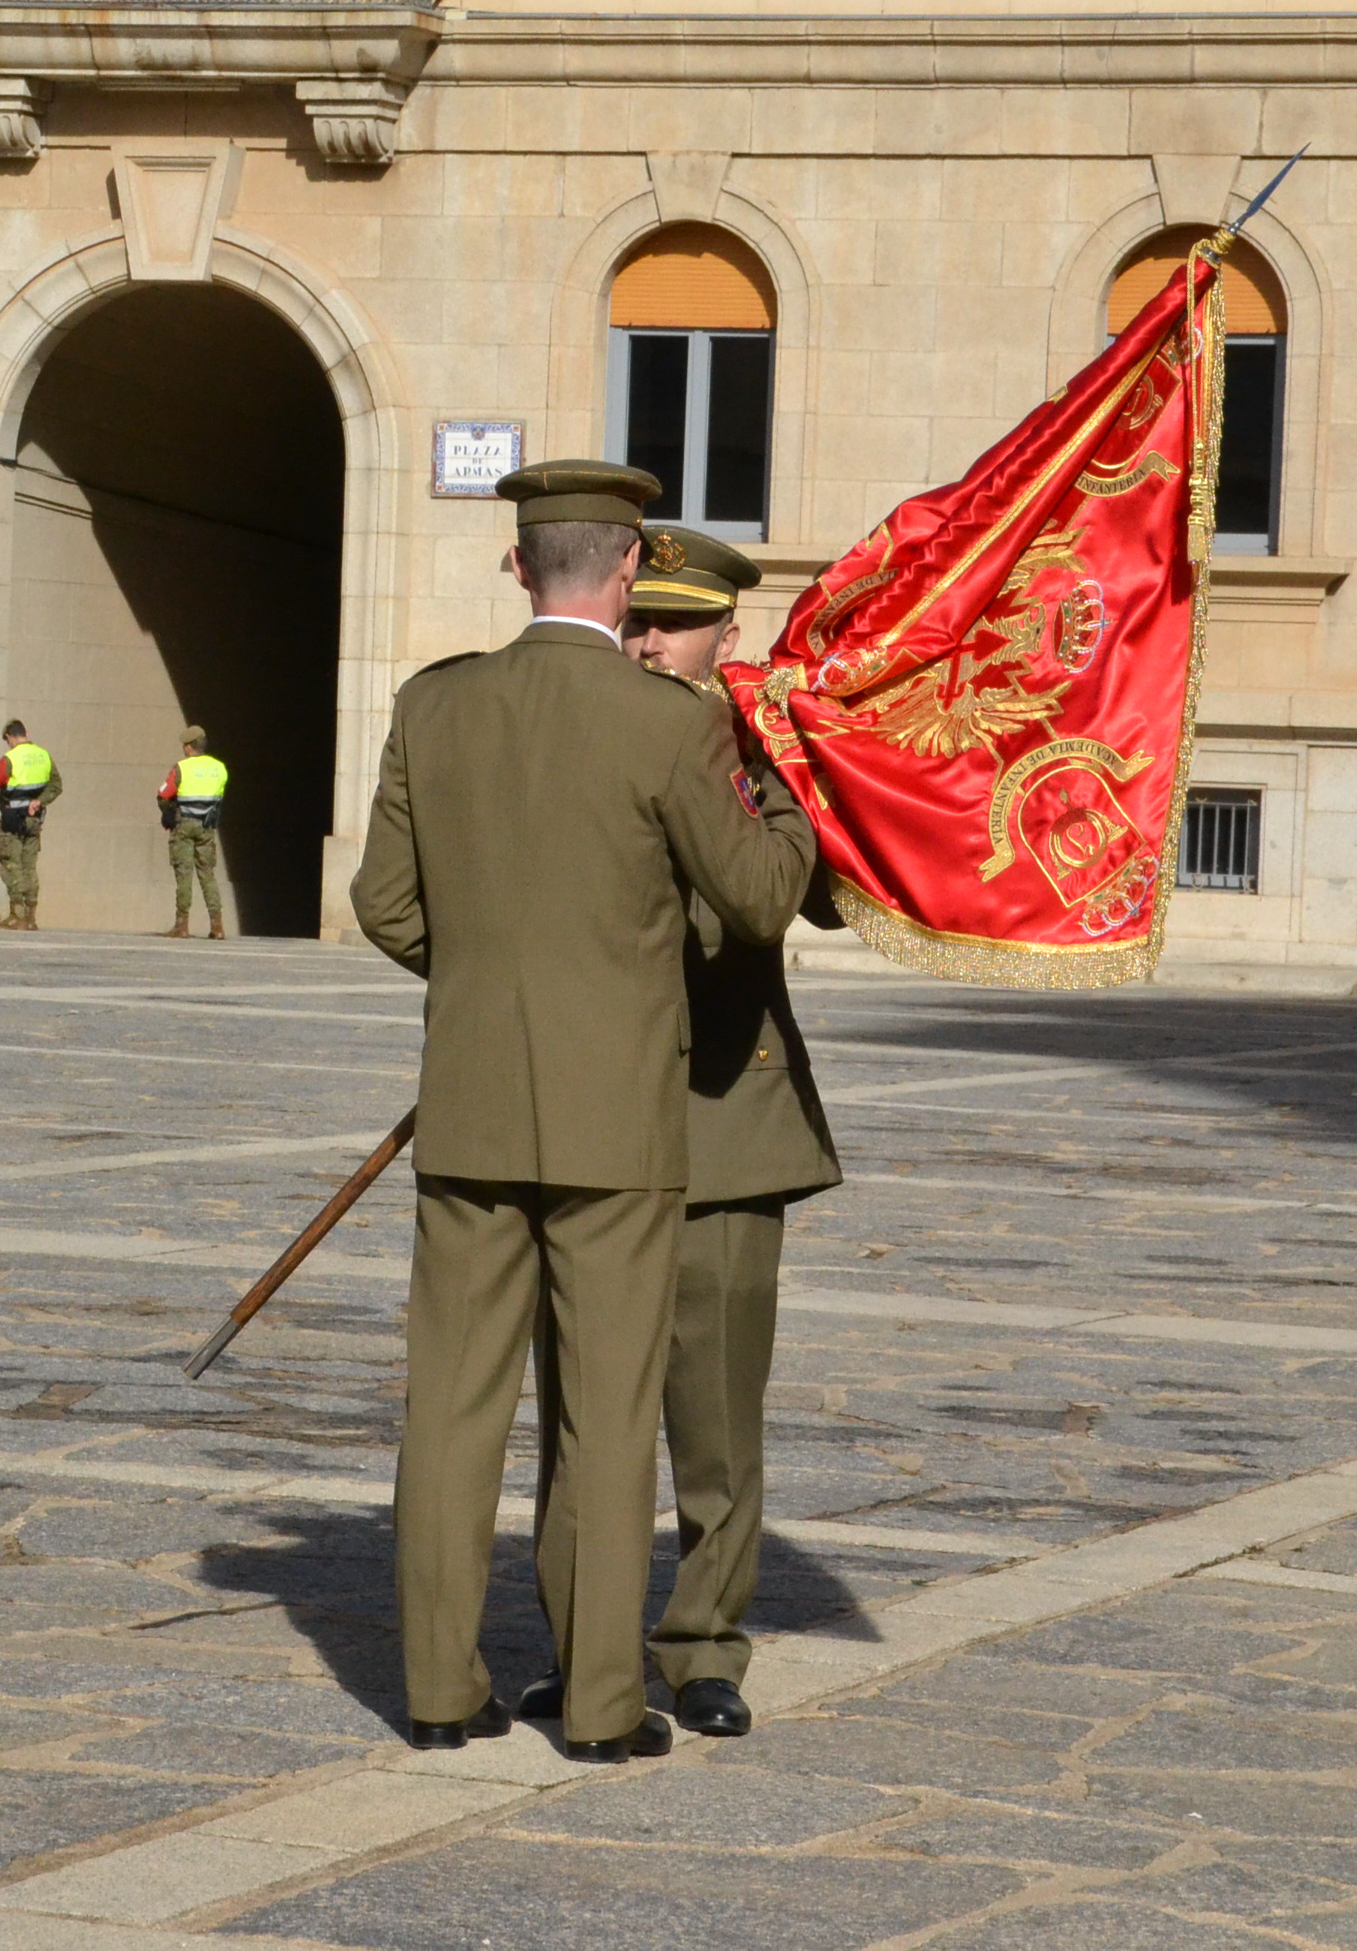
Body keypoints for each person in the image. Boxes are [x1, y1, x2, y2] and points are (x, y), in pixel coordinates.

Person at [350, 460, 815, 1764]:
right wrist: (787, 790)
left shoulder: (433, 706)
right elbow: (762, 895)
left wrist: (499, 978)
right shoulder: (671, 722)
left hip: (475, 1100)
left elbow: (387, 907)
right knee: (605, 1416)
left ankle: (440, 1691)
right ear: (626, 573)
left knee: (451, 1403)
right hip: (618, 1117)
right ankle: (606, 1706)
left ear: (517, 566)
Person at [519, 524, 841, 1741]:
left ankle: (704, 1645)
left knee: (713, 1416)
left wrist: (788, 790)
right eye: (637, 620)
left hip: (723, 1116)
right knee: (584, 1414)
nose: (650, 642)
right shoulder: (569, 735)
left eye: (677, 625)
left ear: (726, 637)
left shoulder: (758, 758)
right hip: (583, 1112)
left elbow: (800, 897)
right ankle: (578, 1643)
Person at [0, 718, 59, 930]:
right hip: (35, 819)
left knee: (10, 863)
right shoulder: (44, 755)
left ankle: (16, 914)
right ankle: (30, 916)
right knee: (29, 865)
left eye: (7, 740)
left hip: (13, 820)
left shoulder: (10, 758)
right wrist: (40, 801)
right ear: (26, 732)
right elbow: (56, 784)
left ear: (9, 737)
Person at [158, 727, 229, 939]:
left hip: (184, 825)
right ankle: (217, 926)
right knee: (208, 874)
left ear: (189, 748)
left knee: (184, 874)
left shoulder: (181, 768)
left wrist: (168, 814)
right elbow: (219, 796)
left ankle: (182, 925)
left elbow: (163, 794)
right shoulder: (220, 768)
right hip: (207, 827)